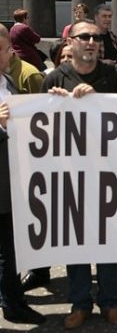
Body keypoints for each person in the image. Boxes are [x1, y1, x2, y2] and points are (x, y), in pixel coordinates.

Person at [41, 20, 117, 329]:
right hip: (70, 177)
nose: (91, 41)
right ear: (70, 42)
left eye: (95, 37)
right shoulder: (54, 77)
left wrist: (97, 101)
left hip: (108, 175)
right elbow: (41, 130)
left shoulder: (112, 76)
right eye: (84, 36)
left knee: (109, 242)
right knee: (75, 242)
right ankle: (80, 303)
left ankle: (110, 301)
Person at [0, 25, 46, 326]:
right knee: (6, 249)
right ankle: (12, 305)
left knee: (10, 246)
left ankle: (12, 299)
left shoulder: (6, 80)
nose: (11, 54)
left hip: (12, 176)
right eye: (6, 49)